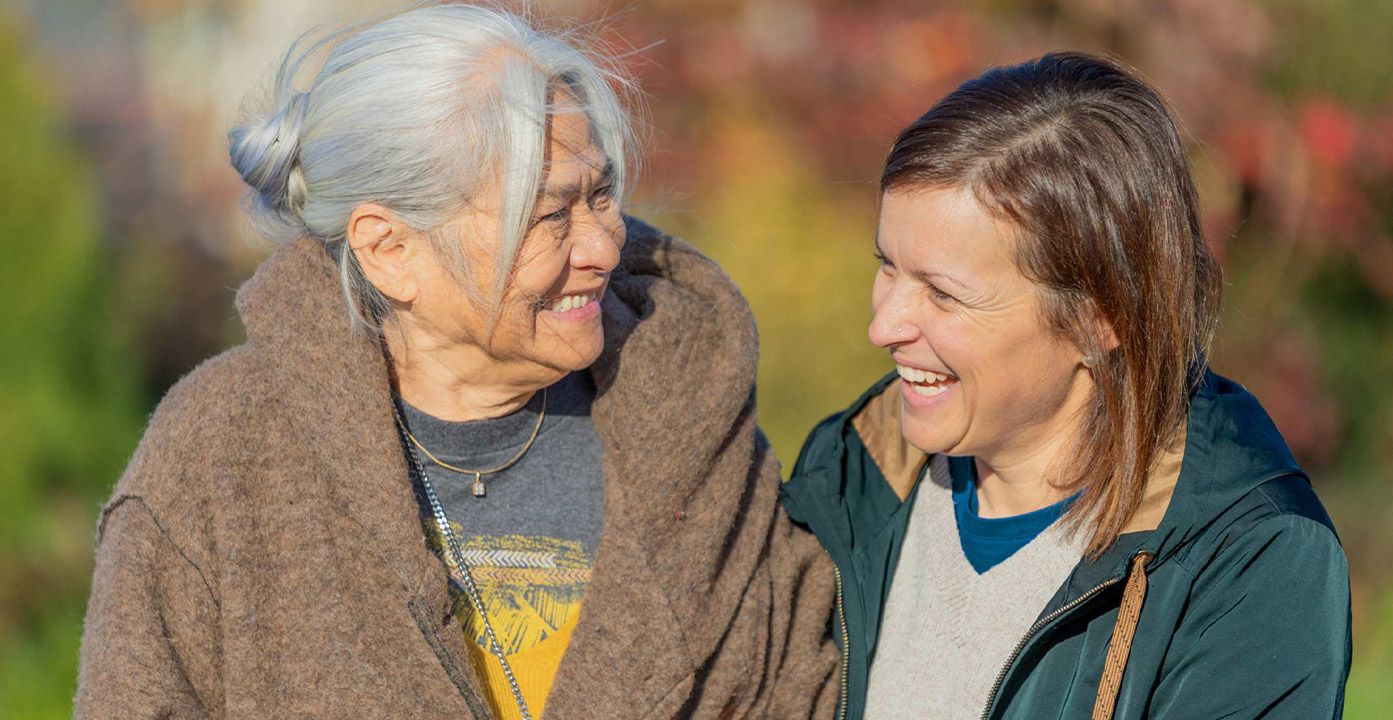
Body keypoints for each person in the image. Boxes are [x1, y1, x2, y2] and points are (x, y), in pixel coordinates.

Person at [75, 5, 838, 718]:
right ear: (390, 252)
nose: (605, 247)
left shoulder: (691, 432)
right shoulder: (222, 455)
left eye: (601, 196)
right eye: (547, 215)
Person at [781, 52, 1351, 720]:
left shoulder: (1250, 565)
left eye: (941, 293)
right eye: (888, 267)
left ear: (1098, 317)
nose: (883, 326)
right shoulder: (855, 470)